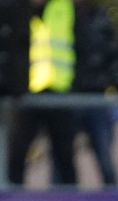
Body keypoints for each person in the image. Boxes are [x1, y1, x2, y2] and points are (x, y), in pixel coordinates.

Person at [6, 0, 76, 187]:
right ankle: (14, 200)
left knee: (64, 155)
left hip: (60, 91)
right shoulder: (18, 9)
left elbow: (82, 45)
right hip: (29, 93)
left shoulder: (64, 7)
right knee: (17, 152)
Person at [69, 0, 118, 187]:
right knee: (63, 159)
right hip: (68, 96)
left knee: (104, 156)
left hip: (96, 95)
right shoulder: (61, 15)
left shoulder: (100, 18)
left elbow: (113, 55)